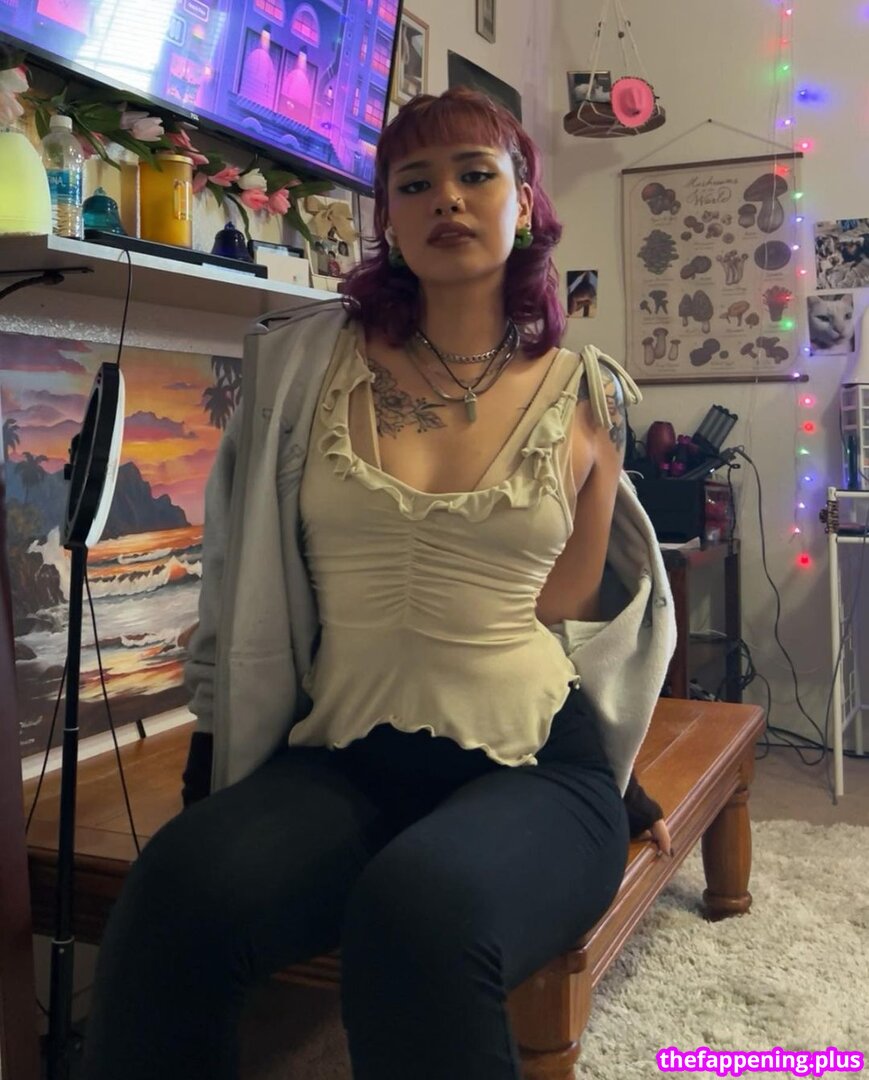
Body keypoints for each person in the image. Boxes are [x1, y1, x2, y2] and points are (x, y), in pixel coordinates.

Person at [82, 88, 676, 1080]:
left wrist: (620, 772)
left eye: (475, 174)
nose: (446, 198)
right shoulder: (300, 374)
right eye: (414, 183)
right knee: (175, 891)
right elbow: (238, 579)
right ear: (388, 220)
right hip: (341, 755)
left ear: (525, 203)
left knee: (421, 915)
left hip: (535, 765)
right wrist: (211, 757)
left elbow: (569, 613)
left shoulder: (588, 395)